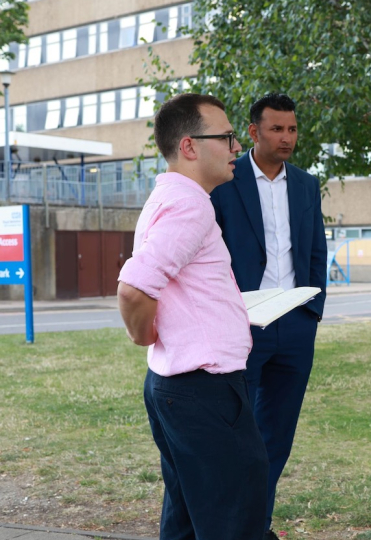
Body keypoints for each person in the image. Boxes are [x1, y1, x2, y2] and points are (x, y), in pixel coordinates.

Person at [117, 93, 268, 540]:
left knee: (186, 517)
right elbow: (134, 288)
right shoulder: (190, 204)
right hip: (203, 391)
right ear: (189, 146)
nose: (237, 146)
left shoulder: (169, 197)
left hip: (182, 389)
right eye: (226, 136)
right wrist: (145, 335)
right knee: (235, 517)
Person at [210, 92, 327, 539]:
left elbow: (316, 250)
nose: (287, 137)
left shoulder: (306, 184)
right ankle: (232, 526)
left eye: (292, 128)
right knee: (239, 434)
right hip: (242, 325)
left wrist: (311, 311)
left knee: (277, 437)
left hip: (295, 326)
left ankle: (255, 526)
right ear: (254, 132)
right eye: (276, 129)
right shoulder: (225, 180)